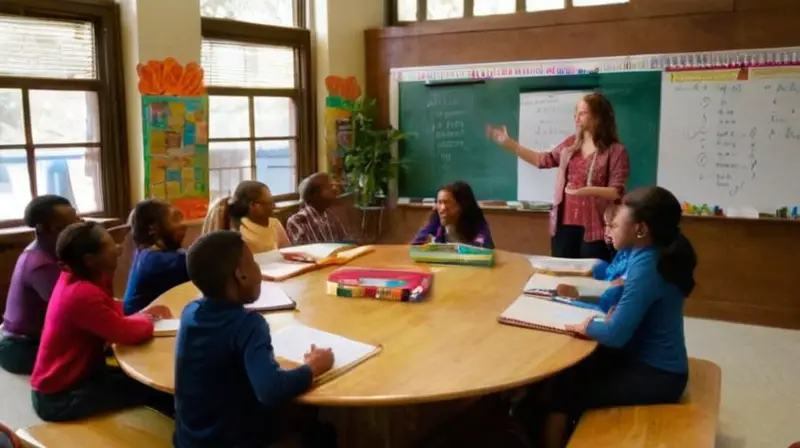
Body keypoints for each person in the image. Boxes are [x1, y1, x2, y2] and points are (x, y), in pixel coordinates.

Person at [532, 186, 697, 448]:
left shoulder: (648, 266)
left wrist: (589, 324)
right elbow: (617, 304)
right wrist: (606, 319)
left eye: (617, 224)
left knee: (561, 393)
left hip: (658, 375)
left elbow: (616, 334)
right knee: (564, 371)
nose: (611, 229)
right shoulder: (643, 252)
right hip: (639, 357)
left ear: (641, 230)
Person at [174, 230, 336, 448]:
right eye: (254, 263)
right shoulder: (248, 325)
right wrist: (312, 367)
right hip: (232, 441)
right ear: (241, 275)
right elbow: (271, 391)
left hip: (189, 441)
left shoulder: (189, 312)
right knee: (318, 428)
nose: (259, 271)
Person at [30, 221, 173, 422]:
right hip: (59, 397)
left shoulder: (78, 278)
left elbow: (107, 310)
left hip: (81, 376)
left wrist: (144, 314)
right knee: (153, 387)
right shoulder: (80, 294)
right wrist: (147, 319)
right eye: (109, 246)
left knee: (139, 380)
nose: (117, 248)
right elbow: (123, 333)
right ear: (90, 260)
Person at [487, 93, 630, 262]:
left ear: (598, 117)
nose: (576, 117)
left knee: (594, 276)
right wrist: (508, 143)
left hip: (596, 227)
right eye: (575, 112)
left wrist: (584, 191)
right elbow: (542, 160)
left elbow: (616, 191)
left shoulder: (615, 151)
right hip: (564, 225)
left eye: (583, 113)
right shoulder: (570, 145)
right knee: (562, 272)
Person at [0, 195, 78, 374]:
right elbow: (68, 310)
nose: (74, 233)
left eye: (76, 224)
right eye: (66, 228)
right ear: (41, 229)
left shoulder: (52, 253)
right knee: (86, 356)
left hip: (33, 340)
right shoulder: (40, 264)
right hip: (20, 348)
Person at [556, 203, 630, 313]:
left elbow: (608, 313)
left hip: (607, 307)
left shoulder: (636, 261)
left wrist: (571, 301)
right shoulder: (623, 251)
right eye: (606, 226)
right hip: (606, 294)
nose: (607, 232)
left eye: (612, 226)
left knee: (558, 301)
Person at [123, 199, 190, 315]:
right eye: (175, 219)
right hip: (142, 329)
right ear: (152, 229)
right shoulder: (155, 261)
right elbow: (200, 260)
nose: (184, 225)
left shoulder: (147, 255)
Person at [411, 181, 495, 248]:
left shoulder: (476, 224)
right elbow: (416, 245)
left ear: (462, 205)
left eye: (447, 203)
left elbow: (485, 249)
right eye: (439, 202)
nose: (442, 208)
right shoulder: (436, 221)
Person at [227, 181, 290, 253]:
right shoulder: (237, 232)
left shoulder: (274, 224)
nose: (274, 206)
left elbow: (287, 253)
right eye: (269, 202)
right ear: (253, 205)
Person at [286, 173, 348, 245]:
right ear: (316, 194)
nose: (334, 189)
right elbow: (302, 252)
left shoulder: (331, 215)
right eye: (329, 187)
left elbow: (346, 242)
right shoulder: (297, 221)